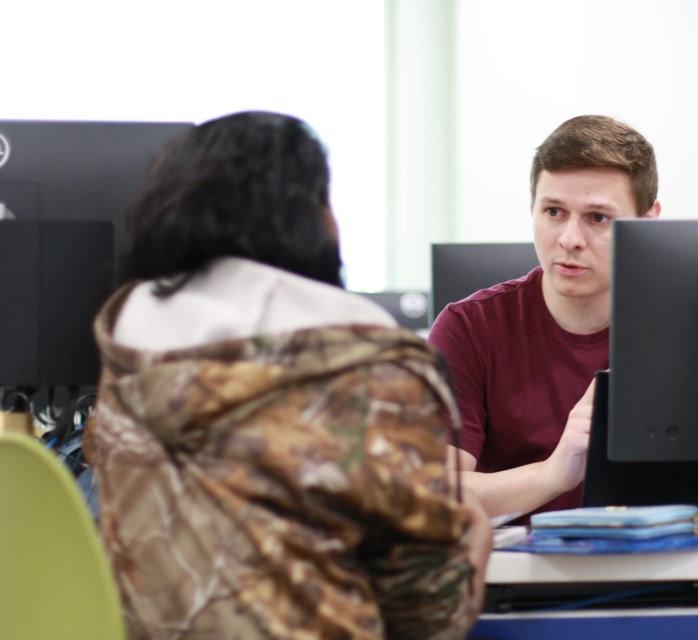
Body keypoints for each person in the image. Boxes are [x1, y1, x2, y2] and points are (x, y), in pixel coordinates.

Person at [83, 110, 492, 640]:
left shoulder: (128, 342)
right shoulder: (370, 365)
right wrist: (472, 544)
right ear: (314, 218)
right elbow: (425, 617)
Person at [428, 114, 660, 519]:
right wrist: (554, 474)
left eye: (598, 218)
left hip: (673, 572)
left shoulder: (685, 330)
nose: (570, 240)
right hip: (514, 578)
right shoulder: (468, 329)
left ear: (648, 222)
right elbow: (432, 495)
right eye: (553, 212)